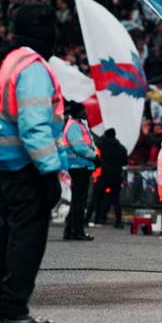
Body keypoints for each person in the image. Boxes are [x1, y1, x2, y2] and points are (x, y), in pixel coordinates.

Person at [0, 3, 66, 323]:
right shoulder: (33, 68)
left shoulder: (7, 61)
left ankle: (1, 309)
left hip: (4, 165)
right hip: (26, 168)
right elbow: (34, 126)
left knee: (9, 237)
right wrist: (49, 172)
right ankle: (13, 311)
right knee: (26, 241)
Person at [62, 103, 97, 242]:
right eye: (84, 110)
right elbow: (79, 147)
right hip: (79, 166)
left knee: (77, 200)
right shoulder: (74, 126)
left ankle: (71, 231)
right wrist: (94, 156)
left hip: (81, 166)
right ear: (78, 112)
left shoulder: (78, 124)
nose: (86, 113)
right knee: (79, 201)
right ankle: (77, 231)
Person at [94, 128, 128, 228]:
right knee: (116, 200)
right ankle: (118, 221)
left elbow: (97, 143)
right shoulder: (122, 148)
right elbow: (125, 162)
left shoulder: (103, 145)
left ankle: (94, 218)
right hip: (116, 177)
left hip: (104, 175)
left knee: (96, 197)